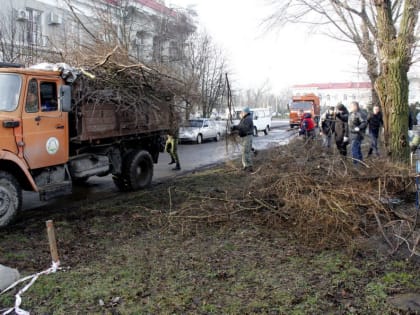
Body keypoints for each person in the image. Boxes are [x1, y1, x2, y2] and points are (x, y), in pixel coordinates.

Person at [231, 107, 254, 172]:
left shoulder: (247, 119)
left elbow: (243, 128)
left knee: (245, 152)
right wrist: (235, 127)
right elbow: (240, 126)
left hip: (247, 137)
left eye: (242, 112)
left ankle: (247, 167)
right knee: (247, 152)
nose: (241, 113)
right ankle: (248, 166)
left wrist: (235, 128)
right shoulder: (245, 118)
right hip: (245, 137)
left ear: (245, 112)